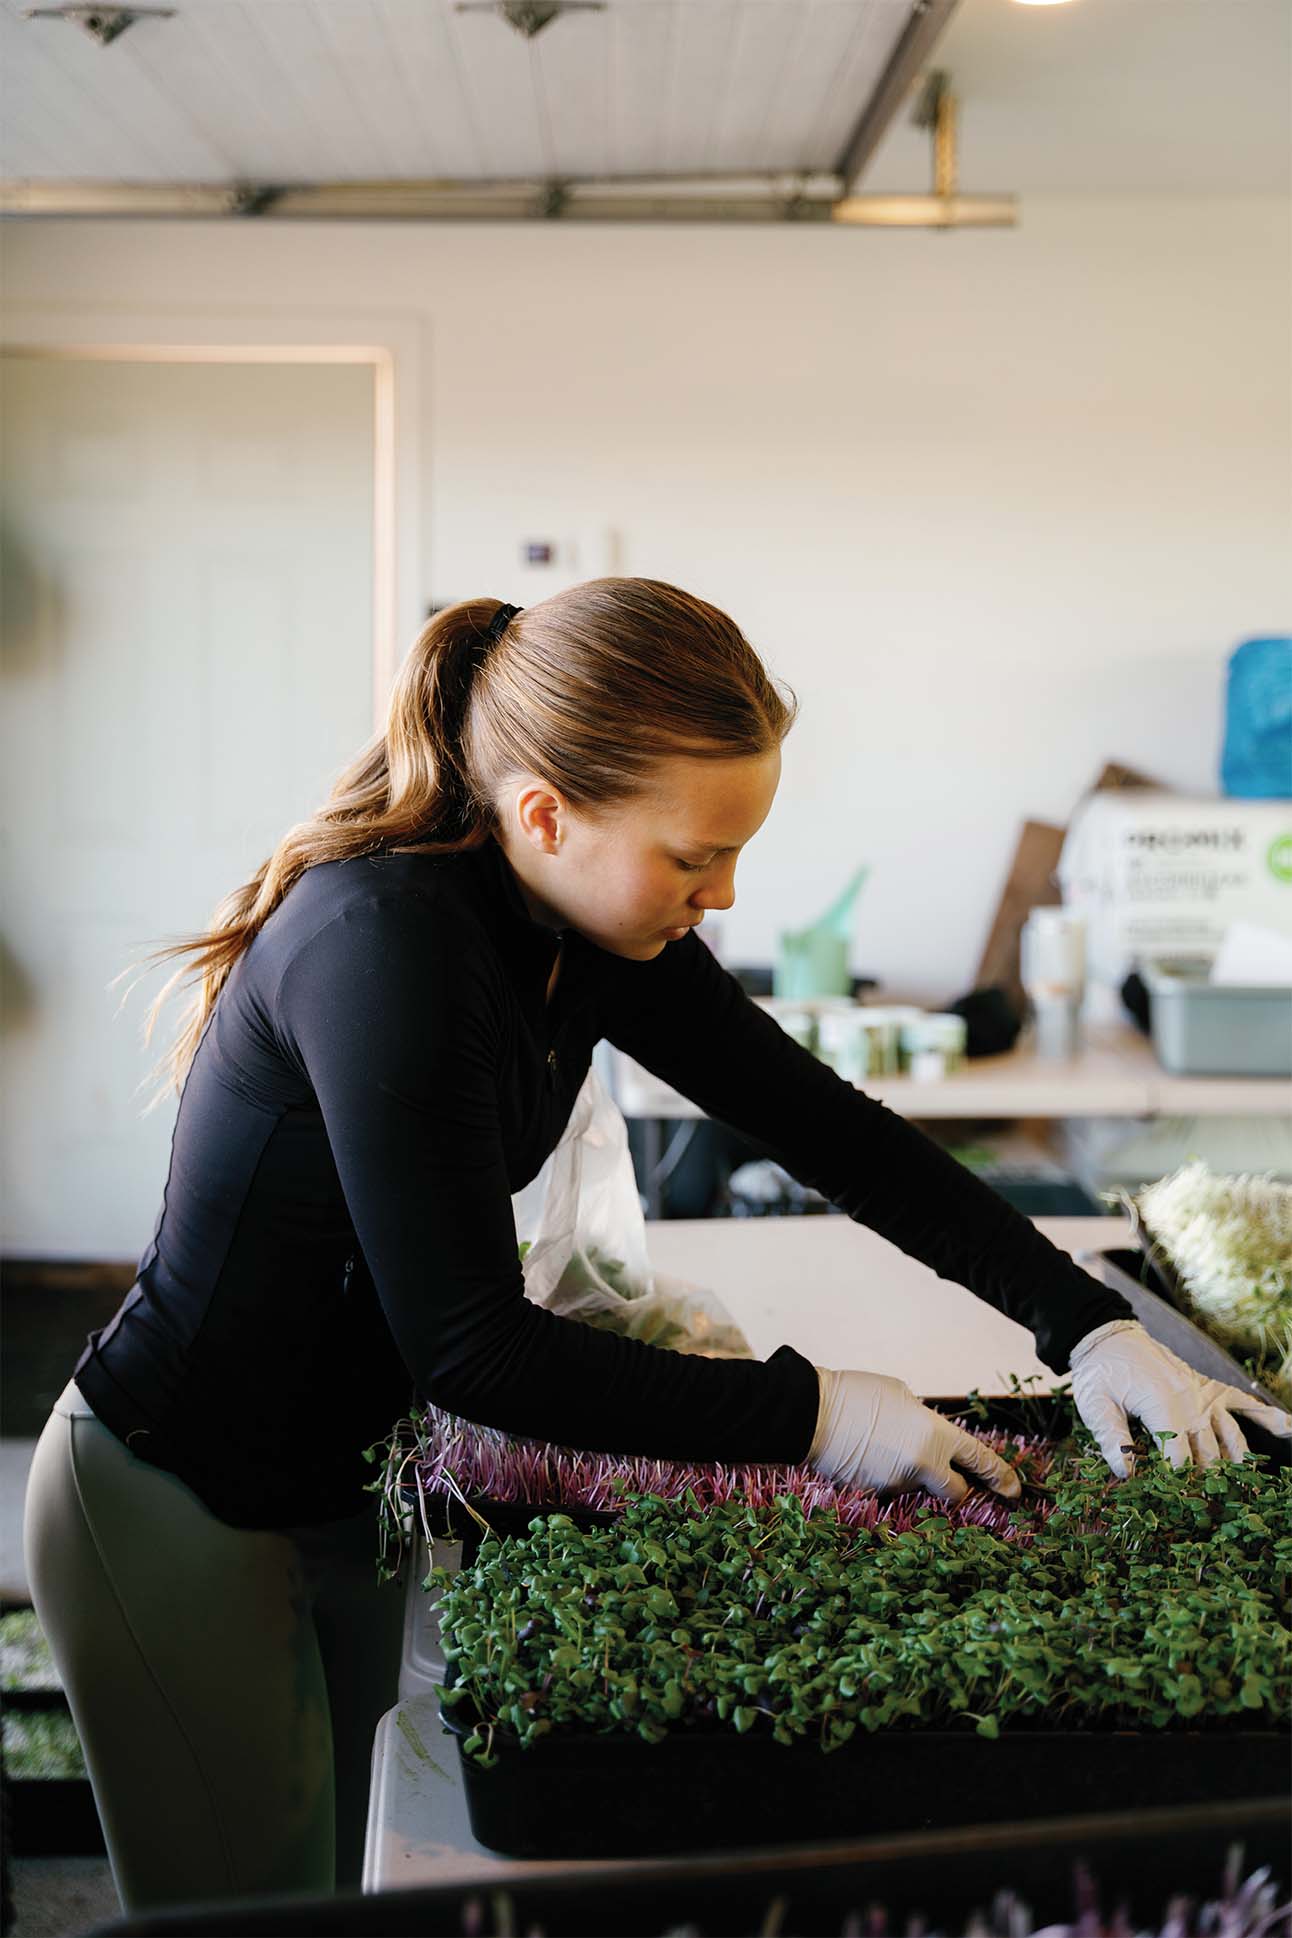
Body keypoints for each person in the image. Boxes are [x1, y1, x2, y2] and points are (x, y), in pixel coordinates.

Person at [23, 579, 1291, 1913]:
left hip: (346, 1495)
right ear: (545, 814)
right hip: (176, 1499)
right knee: (256, 1913)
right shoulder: (383, 943)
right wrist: (819, 1415)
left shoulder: (587, 925)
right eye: (695, 857)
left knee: (355, 1884)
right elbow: (475, 1351)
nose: (725, 889)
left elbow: (831, 1128)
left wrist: (1085, 1322)